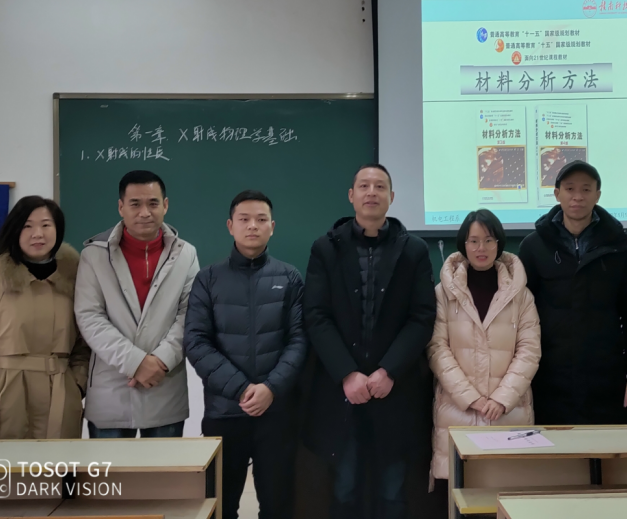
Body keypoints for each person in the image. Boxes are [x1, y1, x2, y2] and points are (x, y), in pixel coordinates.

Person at [303, 164, 436, 519]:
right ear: (351, 195)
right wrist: (347, 374)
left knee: (393, 489)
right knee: (344, 486)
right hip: (341, 392)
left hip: (395, 389)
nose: (372, 192)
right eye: (364, 186)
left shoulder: (414, 250)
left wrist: (388, 370)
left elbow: (422, 317)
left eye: (380, 186)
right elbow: (316, 316)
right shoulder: (325, 249)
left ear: (392, 197)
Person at [185, 190, 307, 519]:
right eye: (244, 219)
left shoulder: (290, 277)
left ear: (272, 227)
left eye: (261, 219)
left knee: (278, 506)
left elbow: (299, 340)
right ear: (230, 225)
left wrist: (271, 388)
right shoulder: (208, 279)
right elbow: (196, 342)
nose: (252, 225)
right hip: (225, 412)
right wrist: (241, 389)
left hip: (277, 412)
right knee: (220, 507)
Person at [518, 161, 627, 425]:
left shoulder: (620, 245)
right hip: (549, 375)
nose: (577, 196)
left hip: (606, 375)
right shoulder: (533, 246)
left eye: (586, 189)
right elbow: (520, 316)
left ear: (597, 195)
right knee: (553, 448)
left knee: (612, 448)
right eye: (570, 189)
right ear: (557, 194)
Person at [428, 209, 541, 507]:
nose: (481, 248)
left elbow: (529, 350)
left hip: (508, 412)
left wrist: (502, 399)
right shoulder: (443, 293)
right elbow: (437, 349)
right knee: (459, 499)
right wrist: (472, 398)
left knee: (505, 501)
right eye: (474, 241)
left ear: (499, 243)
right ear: (463, 245)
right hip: (457, 411)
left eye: (489, 240)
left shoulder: (521, 295)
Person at [75, 170, 199, 438]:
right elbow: (89, 317)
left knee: (164, 467)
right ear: (121, 207)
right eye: (135, 204)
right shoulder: (94, 256)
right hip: (111, 391)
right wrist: (136, 363)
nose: (145, 212)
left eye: (153, 203)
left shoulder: (186, 254)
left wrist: (160, 360)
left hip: (164, 385)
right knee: (110, 468)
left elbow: (190, 315)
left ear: (165, 205)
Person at [0, 196, 90, 439]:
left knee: (56, 463)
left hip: (60, 397)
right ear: (15, 230)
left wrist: (77, 384)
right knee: (4, 464)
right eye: (27, 226)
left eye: (46, 225)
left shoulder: (76, 283)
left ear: (58, 230)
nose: (37, 233)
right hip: (5, 400)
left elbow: (85, 345)